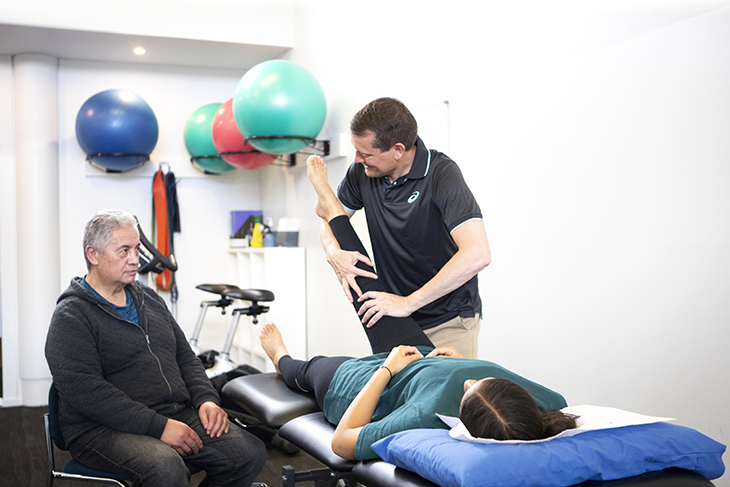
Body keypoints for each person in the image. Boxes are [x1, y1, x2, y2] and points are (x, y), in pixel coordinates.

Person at [264, 162, 575, 461]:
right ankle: (334, 211)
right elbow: (557, 405)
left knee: (308, 369)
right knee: (373, 296)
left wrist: (387, 369)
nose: (469, 381)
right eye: (481, 382)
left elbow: (342, 442)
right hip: (423, 357)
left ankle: (281, 358)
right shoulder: (544, 404)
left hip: (363, 384)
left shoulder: (423, 414)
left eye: (468, 393)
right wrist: (452, 362)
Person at [45, 209, 266, 487]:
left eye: (137, 249)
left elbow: (185, 356)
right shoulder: (71, 316)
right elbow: (87, 393)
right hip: (99, 429)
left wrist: (206, 399)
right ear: (93, 254)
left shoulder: (148, 298)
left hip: (171, 412)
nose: (135, 259)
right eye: (124, 250)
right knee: (166, 468)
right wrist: (158, 427)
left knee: (248, 453)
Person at [315, 98, 491, 359]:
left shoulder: (442, 174)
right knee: (396, 396)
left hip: (448, 318)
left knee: (445, 397)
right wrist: (333, 252)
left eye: (366, 153)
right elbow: (328, 216)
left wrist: (409, 302)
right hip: (395, 319)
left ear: (397, 149)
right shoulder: (361, 172)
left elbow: (478, 253)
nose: (357, 159)